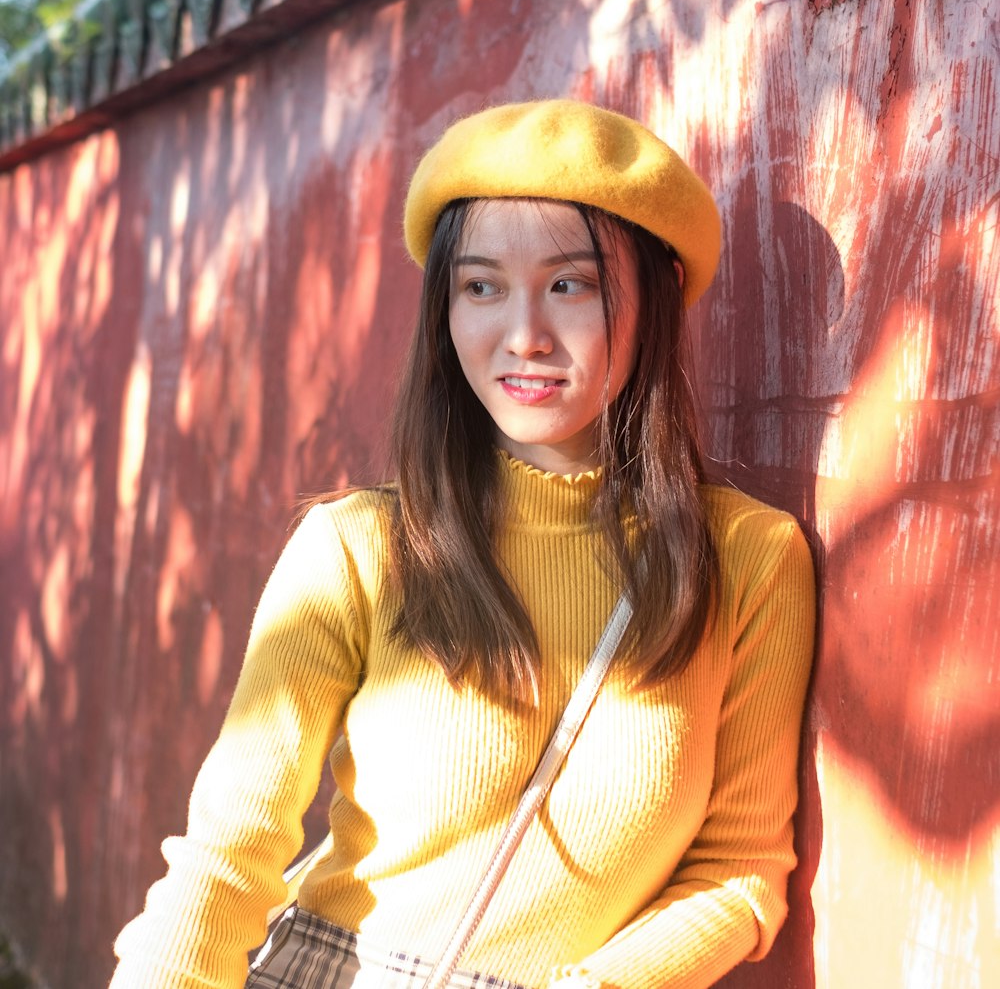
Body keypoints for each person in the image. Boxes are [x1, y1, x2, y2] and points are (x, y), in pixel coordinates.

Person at [109, 99, 816, 989]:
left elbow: (740, 872)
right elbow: (226, 853)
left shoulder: (748, 560)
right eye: (480, 286)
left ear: (657, 296)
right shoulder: (357, 549)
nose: (522, 335)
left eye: (572, 284)